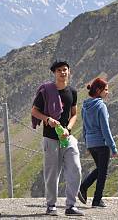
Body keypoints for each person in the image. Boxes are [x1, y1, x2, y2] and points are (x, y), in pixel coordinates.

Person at [31, 60, 84, 216]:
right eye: (59, 70)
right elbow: (34, 111)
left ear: (69, 71)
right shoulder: (46, 91)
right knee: (52, 173)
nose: (62, 72)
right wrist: (47, 119)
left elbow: (74, 114)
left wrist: (68, 128)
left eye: (65, 69)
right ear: (54, 73)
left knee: (76, 168)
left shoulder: (72, 92)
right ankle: (51, 205)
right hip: (50, 138)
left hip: (67, 137)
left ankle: (71, 206)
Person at [78, 78, 117, 208]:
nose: (108, 92)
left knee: (100, 169)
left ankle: (84, 188)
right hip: (101, 143)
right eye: (106, 89)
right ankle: (96, 199)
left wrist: (87, 143)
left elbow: (84, 127)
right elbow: (105, 129)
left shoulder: (85, 106)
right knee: (103, 172)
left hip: (91, 143)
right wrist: (113, 147)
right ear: (98, 90)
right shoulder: (101, 106)